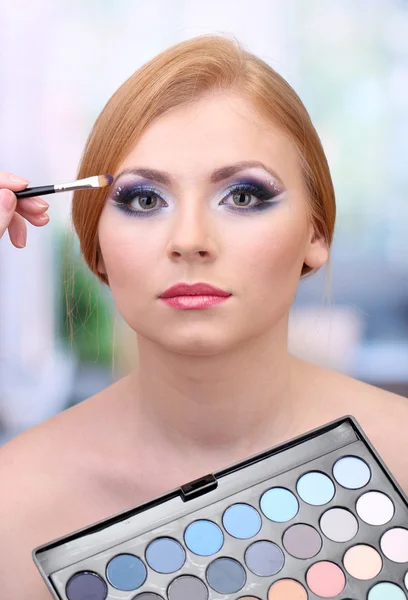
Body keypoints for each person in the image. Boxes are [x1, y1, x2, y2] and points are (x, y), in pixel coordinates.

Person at [0, 34, 407, 599]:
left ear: (316, 232)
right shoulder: (10, 501)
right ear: (95, 246)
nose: (190, 240)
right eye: (145, 200)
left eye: (243, 196)